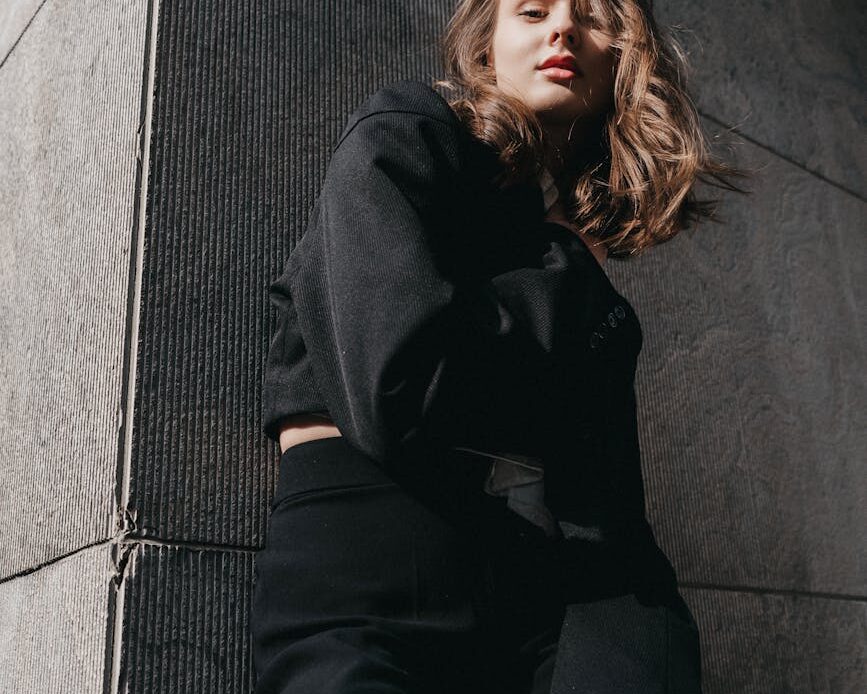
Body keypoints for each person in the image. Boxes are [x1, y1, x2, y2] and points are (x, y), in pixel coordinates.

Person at [252, 1, 747, 692]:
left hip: (541, 594)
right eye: (532, 10)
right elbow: (399, 387)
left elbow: (607, 520)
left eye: (594, 16)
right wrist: (568, 264)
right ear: (485, 49)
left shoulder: (580, 271)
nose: (563, 28)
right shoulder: (409, 134)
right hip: (373, 574)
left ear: (625, 56)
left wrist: (650, 642)